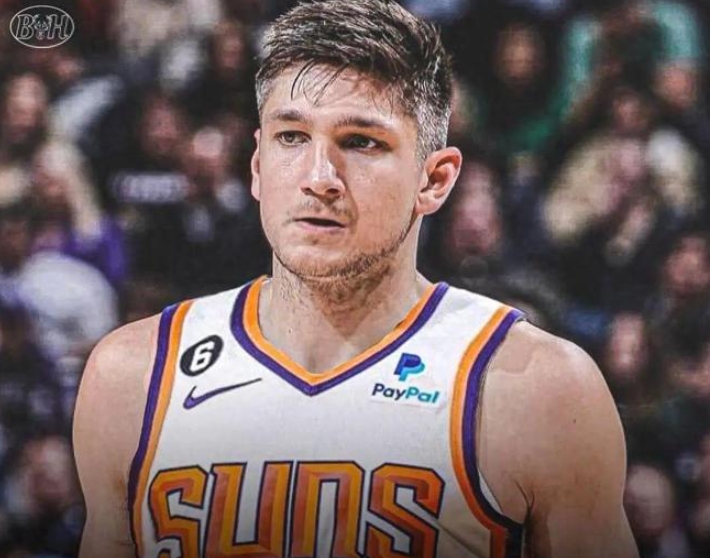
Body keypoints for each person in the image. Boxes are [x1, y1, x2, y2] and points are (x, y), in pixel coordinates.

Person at [73, 1, 639, 557]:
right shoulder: (133, 378)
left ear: (435, 180)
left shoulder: (539, 391)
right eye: (292, 137)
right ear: (257, 165)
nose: (319, 177)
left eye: (361, 142)